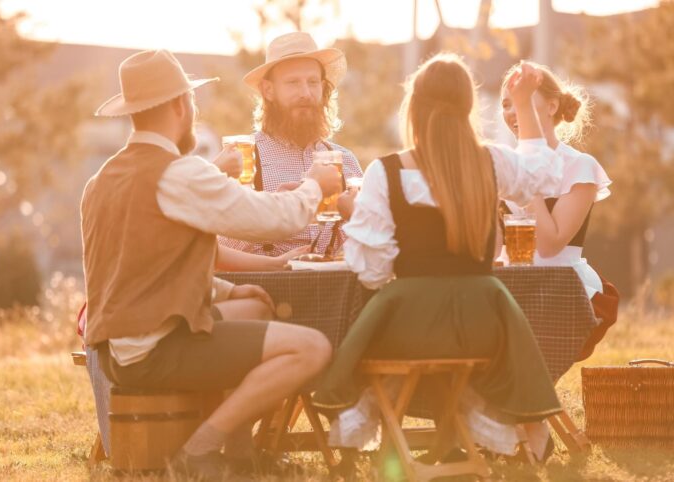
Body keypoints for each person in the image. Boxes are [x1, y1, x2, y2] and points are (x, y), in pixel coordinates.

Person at [82, 49, 342, 479]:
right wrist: (315, 184)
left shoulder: (103, 179)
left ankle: (239, 456)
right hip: (155, 350)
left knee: (255, 306)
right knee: (312, 347)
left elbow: (142, 267)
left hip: (116, 350)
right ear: (181, 106)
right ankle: (199, 452)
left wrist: (227, 290)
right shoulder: (177, 173)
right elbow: (273, 221)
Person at [312, 54, 565, 461]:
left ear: (413, 107)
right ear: (469, 108)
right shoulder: (492, 161)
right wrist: (523, 102)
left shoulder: (386, 172)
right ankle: (458, 443)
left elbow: (373, 271)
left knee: (372, 319)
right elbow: (547, 174)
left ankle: (406, 448)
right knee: (457, 349)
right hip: (485, 324)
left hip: (412, 330)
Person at [499, 62, 619, 361]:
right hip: (506, 282)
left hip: (558, 288)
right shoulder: (501, 163)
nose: (513, 112)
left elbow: (551, 245)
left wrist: (526, 181)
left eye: (522, 102)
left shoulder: (580, 166)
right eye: (506, 104)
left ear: (552, 106)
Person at [218, 31, 363, 257]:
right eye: (293, 83)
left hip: (332, 289)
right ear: (268, 90)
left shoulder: (345, 161)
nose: (305, 93)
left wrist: (355, 215)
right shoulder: (242, 159)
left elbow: (366, 246)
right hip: (267, 288)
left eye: (313, 82)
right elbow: (222, 245)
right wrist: (280, 208)